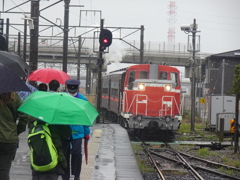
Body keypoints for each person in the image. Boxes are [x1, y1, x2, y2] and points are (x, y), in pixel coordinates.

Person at [62, 79, 90, 180]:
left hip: (78, 132)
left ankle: (76, 175)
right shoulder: (62, 98)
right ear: (67, 87)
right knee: (64, 155)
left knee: (76, 153)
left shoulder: (83, 100)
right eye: (70, 88)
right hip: (64, 131)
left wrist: (86, 132)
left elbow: (86, 118)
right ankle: (65, 176)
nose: (72, 90)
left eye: (73, 88)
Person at [0, 92, 29, 180]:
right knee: (4, 169)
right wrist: (18, 130)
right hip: (10, 138)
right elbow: (24, 116)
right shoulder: (15, 98)